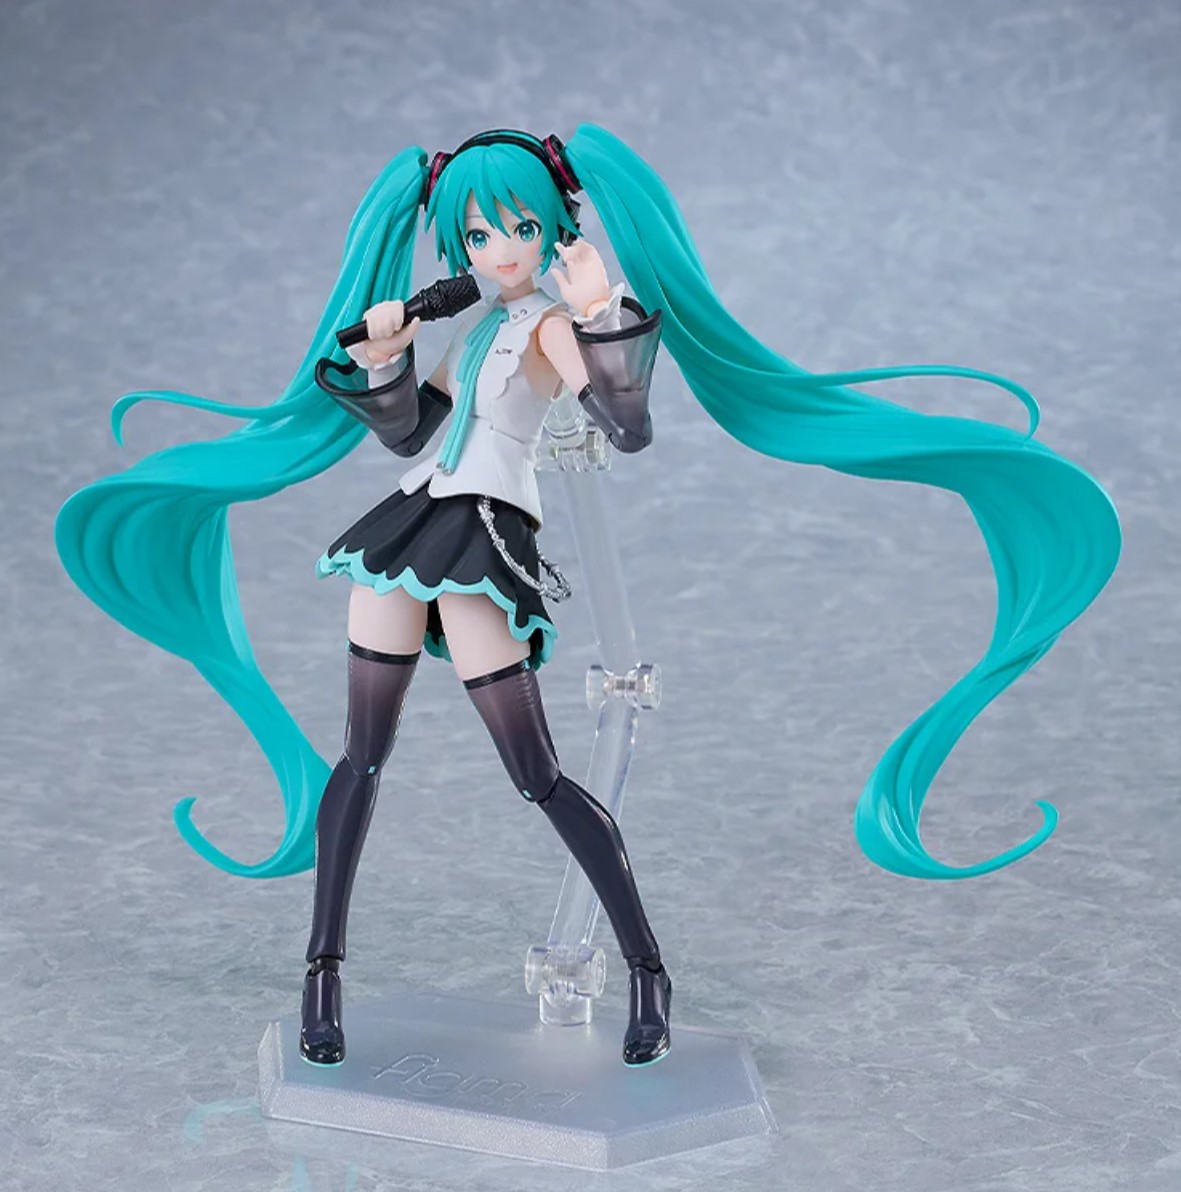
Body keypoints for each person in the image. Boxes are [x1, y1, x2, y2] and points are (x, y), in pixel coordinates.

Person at [53, 124, 1122, 1072]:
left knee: (535, 774)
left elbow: (626, 426)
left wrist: (602, 309)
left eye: (515, 229)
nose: (497, 251)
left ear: (554, 225)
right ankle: (321, 973)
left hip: (479, 539)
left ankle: (646, 968)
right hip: (406, 525)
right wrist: (382, 360)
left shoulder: (549, 327)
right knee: (360, 756)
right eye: (477, 237)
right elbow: (416, 433)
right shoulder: (475, 329)